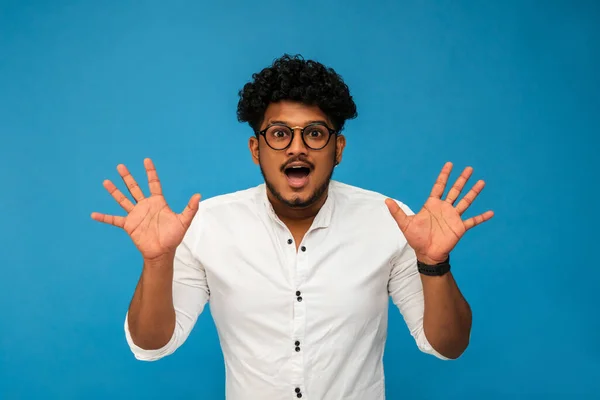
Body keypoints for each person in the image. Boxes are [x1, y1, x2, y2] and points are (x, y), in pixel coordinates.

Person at [91, 54, 493, 399]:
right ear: (256, 149)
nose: (297, 147)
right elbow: (151, 344)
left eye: (315, 134)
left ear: (338, 149)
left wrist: (434, 263)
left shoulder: (390, 221)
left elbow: (448, 346)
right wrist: (158, 261)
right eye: (280, 134)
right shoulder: (207, 225)